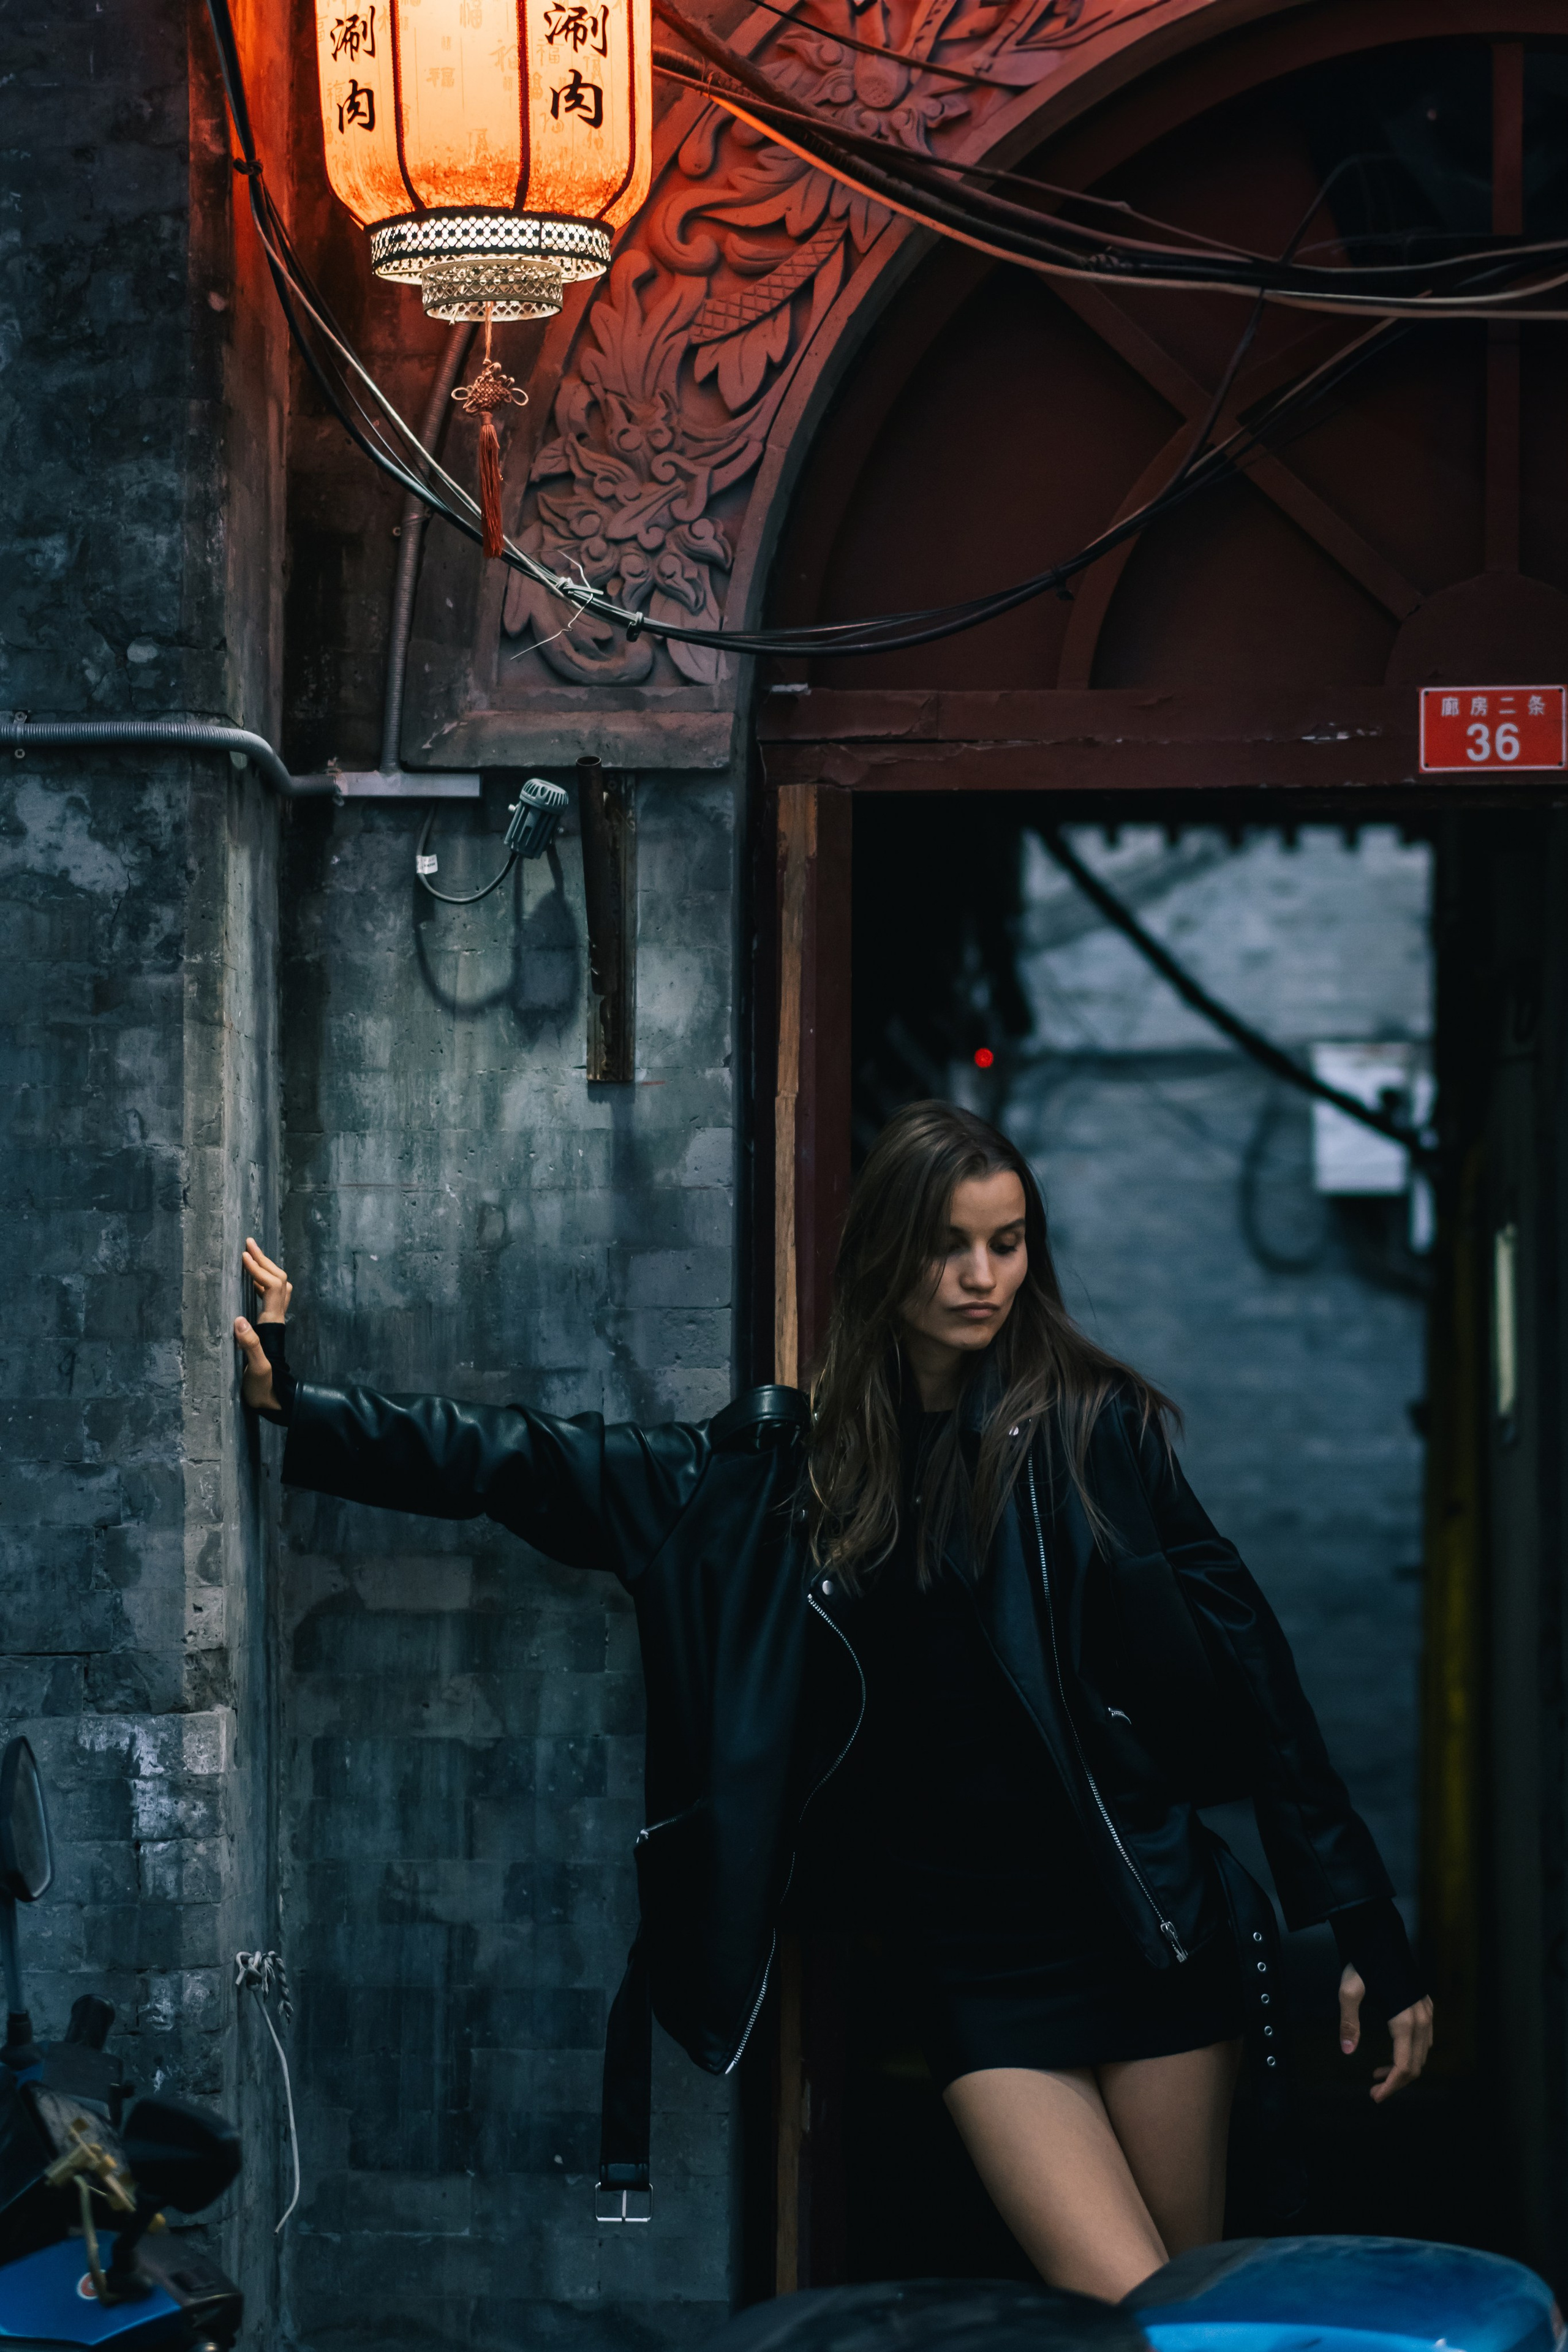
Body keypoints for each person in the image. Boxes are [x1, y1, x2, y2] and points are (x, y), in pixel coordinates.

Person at [234, 1100, 1433, 2301]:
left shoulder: (1091, 1434)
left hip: (1144, 1937)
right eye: (945, 1245)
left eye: (1006, 1243)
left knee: (1189, 2314)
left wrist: (1366, 1936)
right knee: (1121, 2312)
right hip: (978, 1969)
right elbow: (536, 1461)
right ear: (883, 1255)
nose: (979, 1277)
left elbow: (1256, 1678)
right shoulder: (785, 1480)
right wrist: (306, 1406)